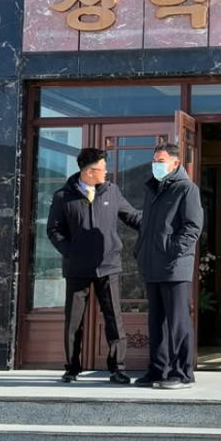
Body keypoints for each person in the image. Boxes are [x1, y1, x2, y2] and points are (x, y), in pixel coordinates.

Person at [47, 148, 142, 384]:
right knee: (74, 321)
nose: (107, 172)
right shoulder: (62, 197)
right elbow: (54, 230)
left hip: (108, 265)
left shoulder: (112, 191)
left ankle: (117, 368)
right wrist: (71, 253)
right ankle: (72, 368)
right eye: (103, 168)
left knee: (114, 318)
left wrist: (159, 223)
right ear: (89, 171)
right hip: (77, 269)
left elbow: (132, 217)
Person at [134, 143, 203, 390]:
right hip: (152, 265)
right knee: (157, 321)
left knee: (177, 321)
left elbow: (192, 227)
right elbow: (148, 226)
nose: (156, 164)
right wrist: (141, 250)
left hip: (175, 266)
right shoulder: (152, 190)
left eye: (160, 160)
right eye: (154, 160)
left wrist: (172, 250)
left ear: (175, 163)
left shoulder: (187, 189)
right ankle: (158, 369)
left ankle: (181, 372)